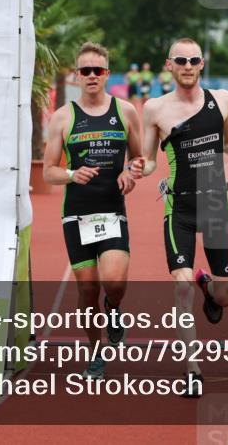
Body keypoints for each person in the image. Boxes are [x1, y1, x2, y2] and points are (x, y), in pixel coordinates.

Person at [132, 37, 228, 396]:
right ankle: (193, 368)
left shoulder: (223, 100)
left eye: (193, 60)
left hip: (216, 206)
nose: (187, 66)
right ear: (169, 65)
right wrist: (141, 166)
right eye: (180, 60)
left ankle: (209, 288)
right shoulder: (155, 109)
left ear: (201, 64)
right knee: (180, 286)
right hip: (179, 207)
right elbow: (150, 160)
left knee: (226, 295)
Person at [43, 42, 142, 380]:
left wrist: (131, 172)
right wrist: (72, 173)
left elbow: (139, 159)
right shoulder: (63, 117)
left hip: (112, 211)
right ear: (75, 76)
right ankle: (95, 352)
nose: (91, 76)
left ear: (107, 75)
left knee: (113, 282)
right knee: (86, 290)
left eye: (97, 70)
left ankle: (113, 309)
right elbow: (47, 172)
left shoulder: (126, 111)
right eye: (84, 70)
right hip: (77, 214)